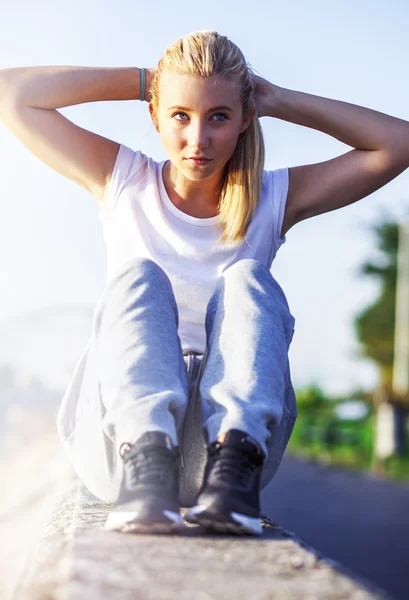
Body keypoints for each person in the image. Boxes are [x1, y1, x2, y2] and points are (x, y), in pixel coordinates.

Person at [1, 30, 408, 537]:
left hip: (225, 466)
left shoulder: (272, 200)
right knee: (140, 277)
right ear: (156, 117)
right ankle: (147, 462)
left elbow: (399, 142)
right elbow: (11, 94)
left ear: (244, 120)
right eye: (180, 115)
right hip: (121, 451)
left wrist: (279, 99)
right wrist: (148, 82)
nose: (198, 139)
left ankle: (233, 468)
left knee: (247, 278)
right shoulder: (123, 180)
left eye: (218, 116)